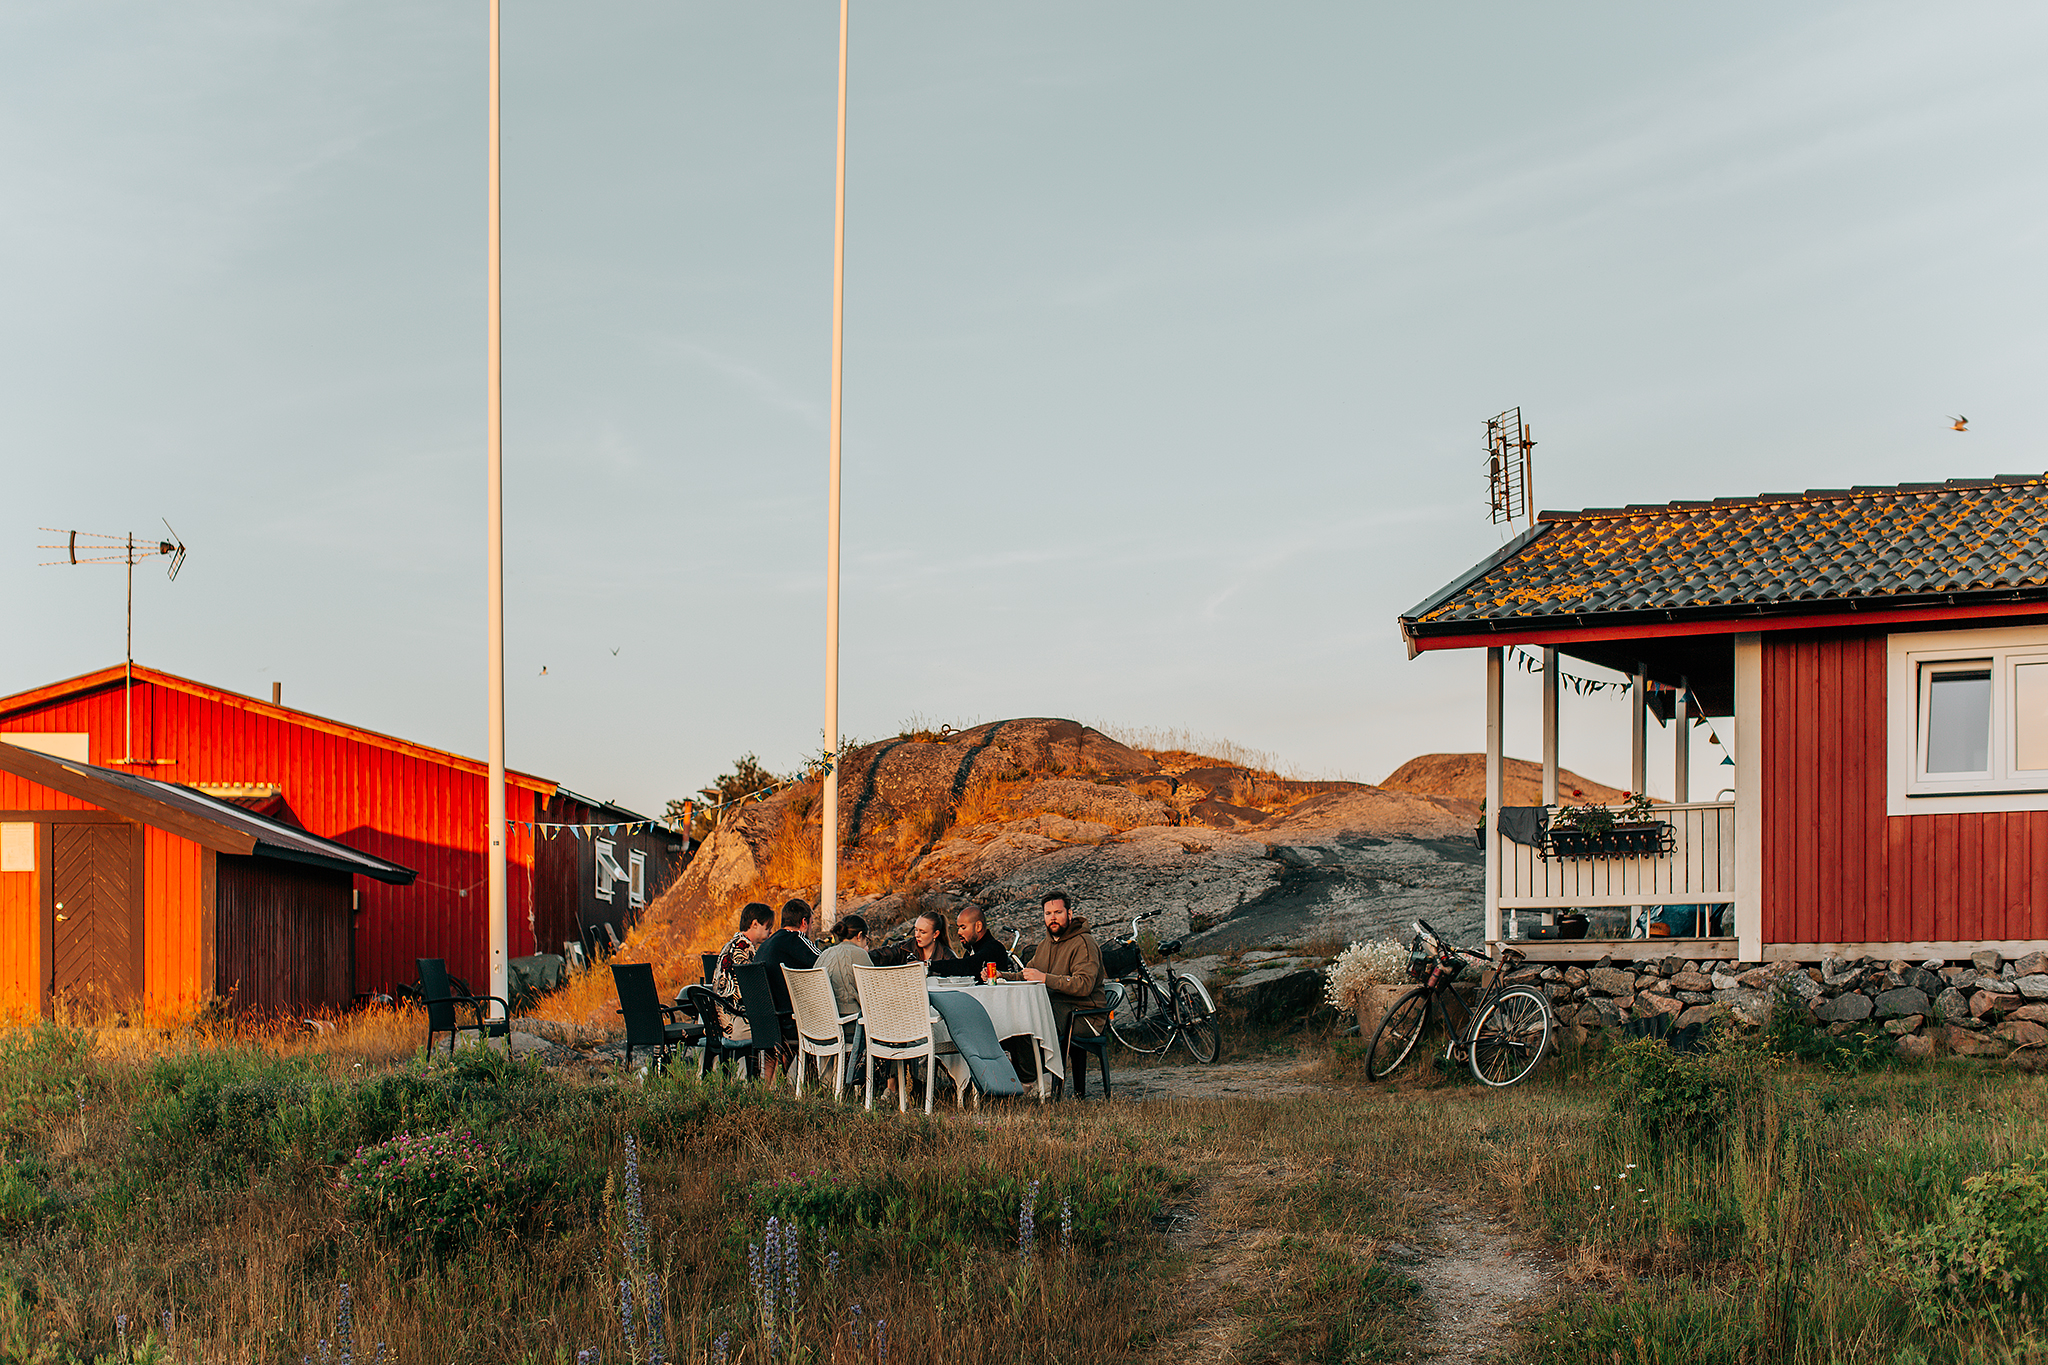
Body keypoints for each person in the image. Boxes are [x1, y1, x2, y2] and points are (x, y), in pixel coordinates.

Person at [1020, 889, 1105, 1085]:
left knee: (1031, 1020)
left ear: (1069, 913)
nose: (1053, 918)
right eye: (1048, 914)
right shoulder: (1046, 944)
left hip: (1085, 1015)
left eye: (1058, 912)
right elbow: (1029, 973)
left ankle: (1044, 1081)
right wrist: (1001, 975)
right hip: (1061, 1010)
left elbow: (1083, 985)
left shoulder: (1084, 943)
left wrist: (1045, 979)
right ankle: (1032, 1080)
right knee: (1018, 1019)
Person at [711, 902, 775, 1038]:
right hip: (735, 1023)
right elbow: (753, 992)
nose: (770, 932)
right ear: (755, 924)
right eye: (768, 927)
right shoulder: (745, 949)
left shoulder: (730, 945)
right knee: (778, 1031)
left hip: (720, 1020)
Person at [753, 899, 821, 1025]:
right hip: (793, 1020)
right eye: (811, 923)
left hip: (770, 1024)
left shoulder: (765, 945)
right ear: (804, 922)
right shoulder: (796, 938)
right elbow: (825, 963)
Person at [927, 904, 1018, 978]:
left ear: (978, 926)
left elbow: (968, 966)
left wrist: (930, 965)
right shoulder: (970, 951)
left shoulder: (994, 948)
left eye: (963, 927)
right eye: (958, 928)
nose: (959, 932)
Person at [813, 915, 873, 1019]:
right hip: (852, 1025)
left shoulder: (825, 954)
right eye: (866, 939)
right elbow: (873, 996)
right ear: (859, 935)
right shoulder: (859, 954)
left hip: (822, 1023)